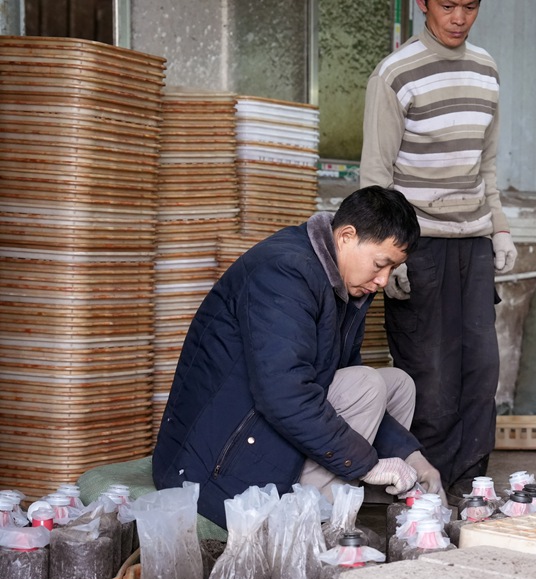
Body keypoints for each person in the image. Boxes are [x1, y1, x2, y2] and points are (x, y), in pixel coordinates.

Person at [152, 186, 446, 528]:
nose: (382, 281)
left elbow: (339, 376)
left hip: (263, 429)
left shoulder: (343, 285)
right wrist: (368, 464)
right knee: (367, 384)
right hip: (213, 465)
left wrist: (411, 457)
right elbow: (284, 394)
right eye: (381, 264)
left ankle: (337, 497)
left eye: (392, 269)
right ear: (347, 236)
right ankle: (301, 527)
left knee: (397, 384)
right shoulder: (284, 272)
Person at [360, 0, 517, 503]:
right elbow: (376, 177)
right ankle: (424, 493)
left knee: (480, 369)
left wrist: (500, 229)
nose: (458, 17)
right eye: (447, 5)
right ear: (423, 5)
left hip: (473, 243)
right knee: (430, 373)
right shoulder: (396, 74)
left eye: (469, 6)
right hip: (419, 244)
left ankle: (471, 486)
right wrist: (388, 252)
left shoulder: (486, 70)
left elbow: (486, 166)